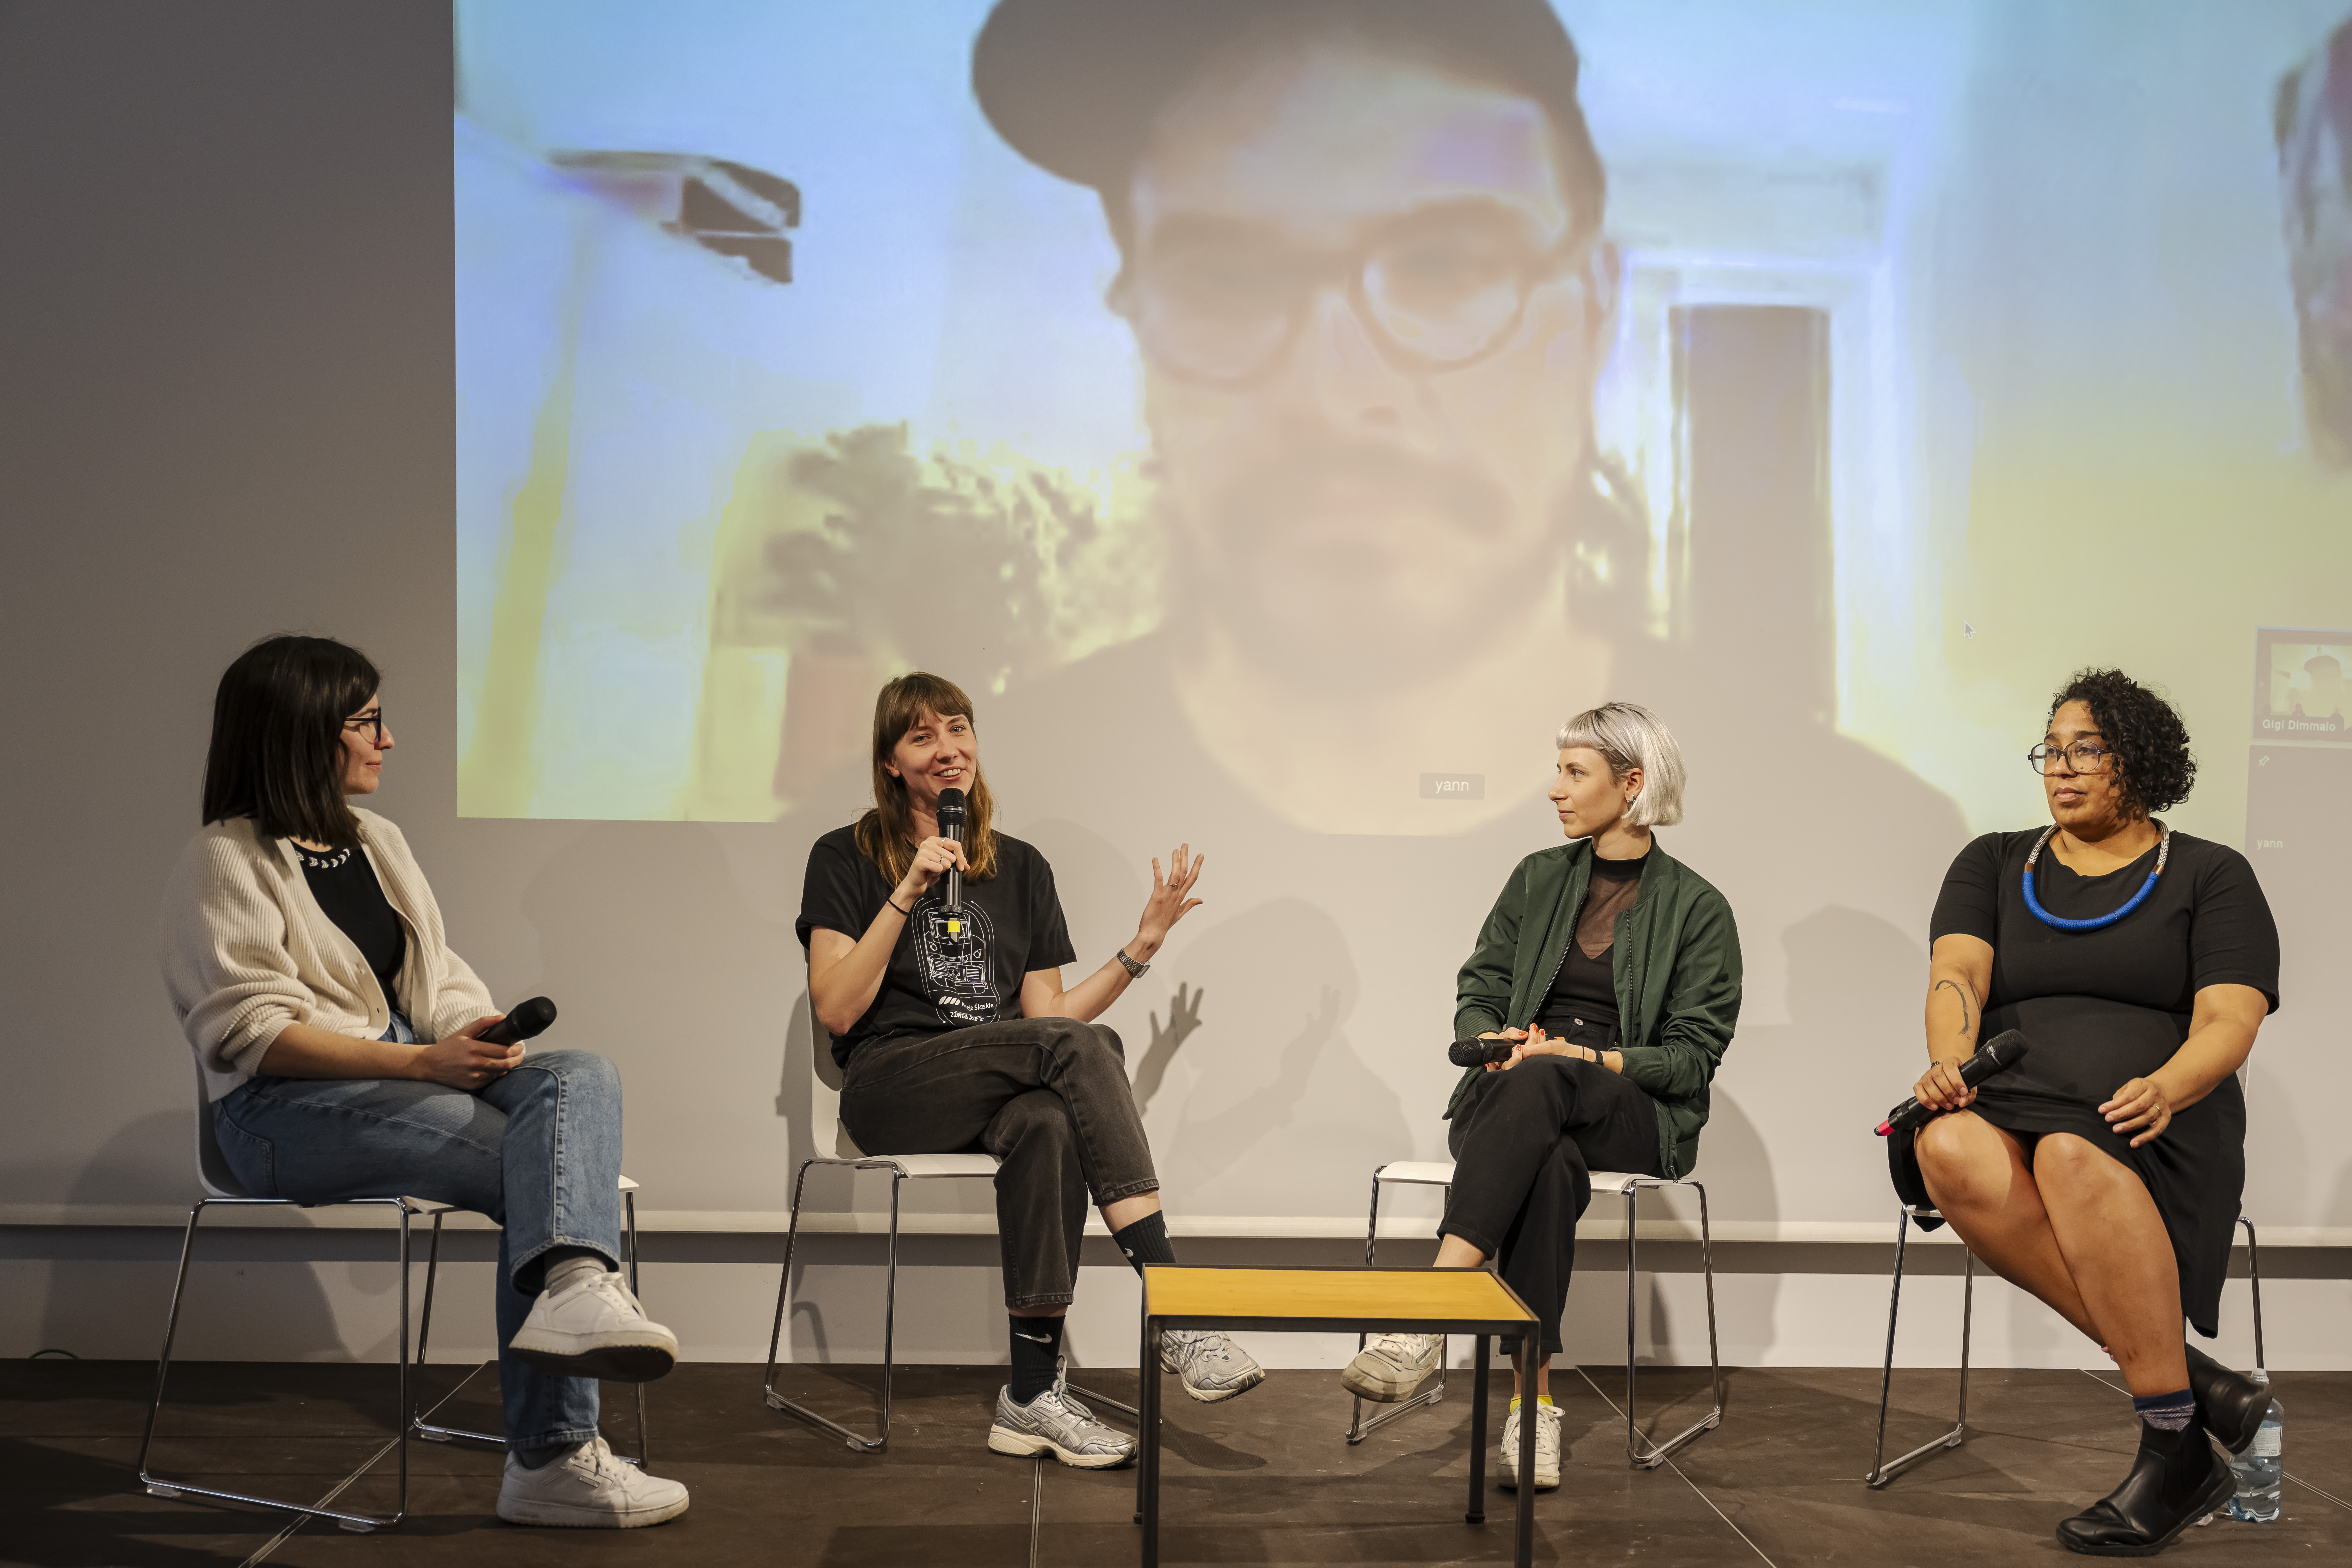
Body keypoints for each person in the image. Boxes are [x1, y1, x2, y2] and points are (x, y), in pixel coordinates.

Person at [159, 635, 688, 1530]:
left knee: (579, 1072)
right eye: (367, 721)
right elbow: (252, 1034)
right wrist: (418, 1061)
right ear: (304, 731)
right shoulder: (226, 858)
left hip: (410, 1077)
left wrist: (466, 1033)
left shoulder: (378, 840)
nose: (387, 739)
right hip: (273, 1117)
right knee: (542, 1175)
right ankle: (553, 1450)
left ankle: (569, 1295)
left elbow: (435, 978)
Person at [795, 671, 1263, 1469]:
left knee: (1050, 1118)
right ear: (890, 764)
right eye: (922, 737)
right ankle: (1179, 1303)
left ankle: (1030, 1394)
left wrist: (1139, 950)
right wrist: (906, 890)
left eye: (958, 728)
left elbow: (1049, 1018)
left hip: (996, 1082)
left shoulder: (1021, 867)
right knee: (1080, 1053)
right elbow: (837, 1008)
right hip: (891, 1086)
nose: (947, 750)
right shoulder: (846, 856)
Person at [1909, 668, 2280, 1556]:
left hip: (2153, 1114)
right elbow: (1956, 973)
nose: (2061, 767)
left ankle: (2167, 1436)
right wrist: (1947, 1061)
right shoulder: (1996, 859)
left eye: (2086, 749)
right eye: (2052, 748)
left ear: (2137, 761)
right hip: (2012, 1097)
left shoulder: (2209, 871)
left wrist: (2169, 1084)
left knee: (2073, 1155)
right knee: (1948, 1143)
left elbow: (2230, 1016)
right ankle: (2196, 1399)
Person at [1339, 703, 1740, 1492]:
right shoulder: (1537, 877)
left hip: (1627, 1113)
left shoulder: (1698, 907)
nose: (1553, 789)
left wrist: (1581, 1055)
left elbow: (1692, 1059)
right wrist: (1494, 1040)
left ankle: (1429, 1313)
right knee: (1548, 1162)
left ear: (1631, 785)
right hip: (1514, 1103)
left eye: (1573, 772)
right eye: (1558, 770)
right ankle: (1534, 1407)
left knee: (1550, 1076)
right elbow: (1481, 985)